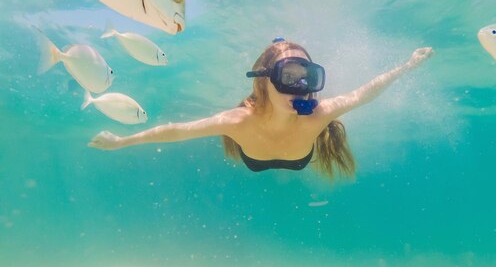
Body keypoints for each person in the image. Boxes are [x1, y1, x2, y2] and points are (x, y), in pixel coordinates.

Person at [89, 38, 434, 178]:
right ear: (265, 81)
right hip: (252, 157)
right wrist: (122, 141)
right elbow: (176, 131)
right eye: (289, 76)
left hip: (297, 159)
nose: (299, 88)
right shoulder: (239, 121)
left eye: (307, 78)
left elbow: (363, 94)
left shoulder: (317, 116)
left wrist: (406, 67)